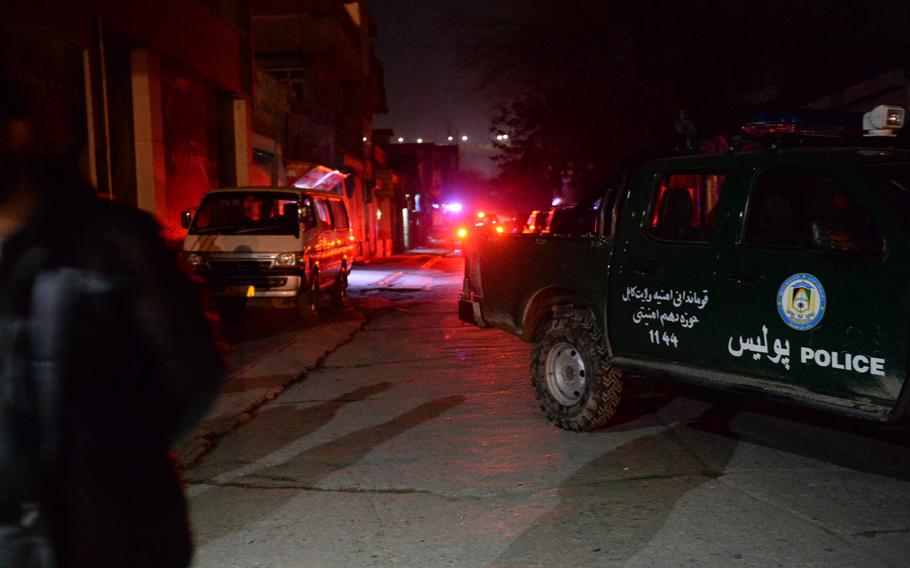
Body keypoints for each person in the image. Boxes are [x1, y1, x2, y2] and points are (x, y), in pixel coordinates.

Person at [0, 71, 224, 566]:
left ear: (15, 133)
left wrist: (118, 463)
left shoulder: (112, 240)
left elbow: (192, 371)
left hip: (109, 537)